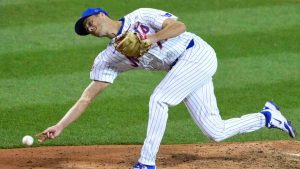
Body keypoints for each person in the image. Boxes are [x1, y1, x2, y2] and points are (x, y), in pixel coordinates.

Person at [37, 7, 296, 169]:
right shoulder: (109, 58)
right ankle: (267, 117)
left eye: (89, 22)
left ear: (101, 14)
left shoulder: (141, 15)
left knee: (159, 99)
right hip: (183, 71)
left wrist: (153, 38)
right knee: (215, 131)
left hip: (197, 54)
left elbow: (180, 26)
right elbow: (87, 97)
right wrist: (60, 126)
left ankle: (146, 162)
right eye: (86, 30)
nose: (89, 28)